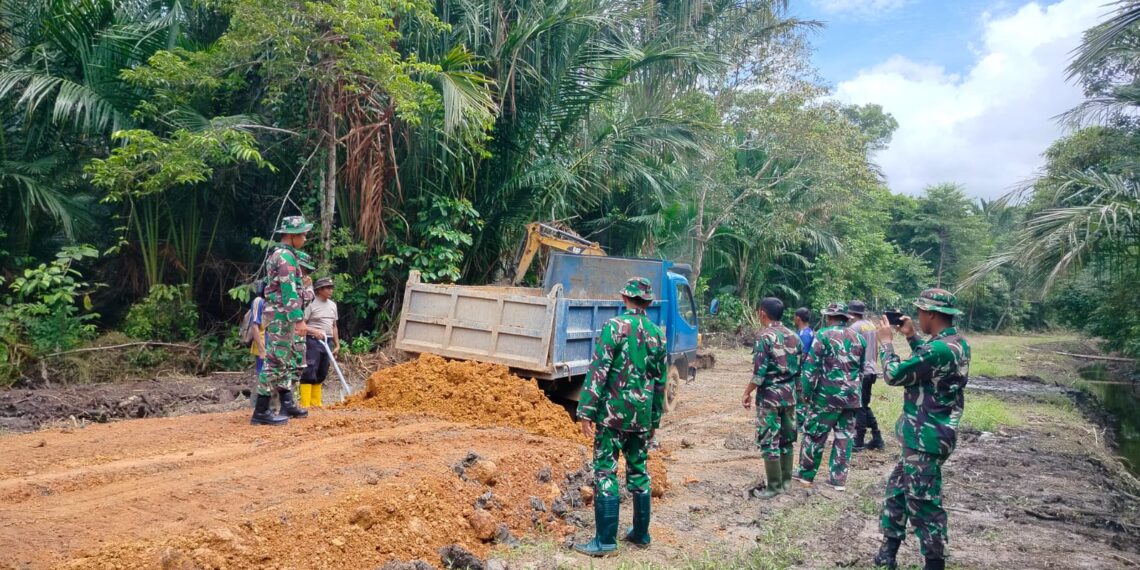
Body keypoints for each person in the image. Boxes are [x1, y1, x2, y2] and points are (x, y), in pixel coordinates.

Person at [871, 289, 970, 570]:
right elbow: (929, 368)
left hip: (926, 437)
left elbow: (894, 375)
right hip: (928, 434)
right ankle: (887, 552)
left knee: (924, 504)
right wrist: (912, 337)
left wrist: (886, 344)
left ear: (931, 314)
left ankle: (934, 563)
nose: (917, 316)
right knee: (898, 492)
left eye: (920, 312)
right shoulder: (955, 343)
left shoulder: (937, 348)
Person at [574, 277, 668, 557]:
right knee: (639, 471)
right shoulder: (657, 334)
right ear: (648, 303)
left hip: (612, 416)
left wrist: (586, 412)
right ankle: (641, 534)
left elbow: (598, 371)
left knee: (605, 471)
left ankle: (605, 541)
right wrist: (654, 420)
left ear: (624, 298)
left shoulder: (613, 327)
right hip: (641, 417)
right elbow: (659, 381)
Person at [794, 302, 865, 491]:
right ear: (846, 318)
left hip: (827, 395)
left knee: (814, 433)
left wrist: (805, 394)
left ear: (829, 317)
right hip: (851, 396)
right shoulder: (859, 338)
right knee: (844, 436)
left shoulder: (823, 335)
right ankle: (838, 479)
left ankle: (806, 474)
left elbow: (811, 368)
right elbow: (862, 368)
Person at [251, 215, 313, 426]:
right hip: (281, 317)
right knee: (275, 362)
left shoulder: (285, 255)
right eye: (303, 234)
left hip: (281, 316)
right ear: (292, 235)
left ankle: (283, 405)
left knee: (283, 362)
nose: (305, 237)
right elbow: (289, 291)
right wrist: (298, 320)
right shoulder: (285, 258)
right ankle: (261, 412)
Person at [742, 297, 802, 499]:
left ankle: (774, 486)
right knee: (787, 439)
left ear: (762, 313)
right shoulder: (795, 336)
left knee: (769, 440)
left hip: (769, 398)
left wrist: (747, 392)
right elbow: (800, 369)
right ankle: (785, 483)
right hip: (790, 396)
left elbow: (759, 374)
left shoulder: (764, 337)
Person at [848, 300, 885, 452]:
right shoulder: (870, 325)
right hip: (871, 369)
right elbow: (875, 348)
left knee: (860, 407)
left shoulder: (854, 328)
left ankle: (858, 440)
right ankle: (877, 438)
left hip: (861, 371)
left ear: (851, 313)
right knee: (864, 404)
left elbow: (853, 351)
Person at [300, 277, 339, 408]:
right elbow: (301, 325)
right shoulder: (310, 304)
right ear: (319, 290)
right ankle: (305, 404)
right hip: (312, 341)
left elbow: (334, 326)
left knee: (322, 371)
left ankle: (316, 403)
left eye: (331, 288)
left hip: (327, 341)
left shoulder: (333, 305)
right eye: (328, 288)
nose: (330, 291)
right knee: (310, 370)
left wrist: (337, 344)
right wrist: (314, 331)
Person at [792, 307, 815, 429]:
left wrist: (797, 369)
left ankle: (801, 423)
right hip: (804, 369)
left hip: (802, 370)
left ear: (798, 318)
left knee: (800, 397)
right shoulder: (808, 332)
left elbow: (803, 354)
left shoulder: (804, 334)